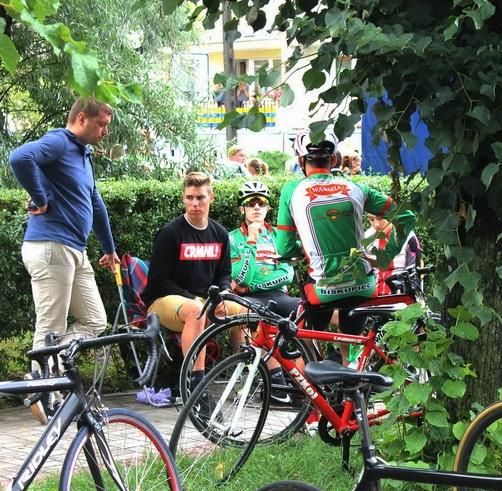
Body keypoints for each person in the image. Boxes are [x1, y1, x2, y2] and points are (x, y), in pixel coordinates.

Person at [9, 97, 120, 425]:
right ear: (82, 118)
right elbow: (20, 158)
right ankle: (43, 389)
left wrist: (109, 248)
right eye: (101, 125)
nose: (105, 132)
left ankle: (47, 370)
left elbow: (95, 203)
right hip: (50, 246)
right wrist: (40, 197)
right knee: (51, 325)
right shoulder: (60, 141)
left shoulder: (83, 155)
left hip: (75, 250)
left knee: (95, 321)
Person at [275, 130, 416, 337]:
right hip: (363, 285)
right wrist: (386, 256)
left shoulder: (291, 191)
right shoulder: (355, 187)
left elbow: (284, 248)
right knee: (352, 339)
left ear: (301, 160)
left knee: (306, 337)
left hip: (322, 289)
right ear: (333, 160)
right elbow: (406, 216)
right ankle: (352, 354)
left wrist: (304, 247)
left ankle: (312, 353)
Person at [141, 172, 243, 412]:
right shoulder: (170, 233)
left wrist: (224, 293)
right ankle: (196, 387)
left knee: (245, 311)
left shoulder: (219, 233)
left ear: (211, 198)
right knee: (197, 311)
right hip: (164, 302)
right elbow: (158, 280)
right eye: (189, 198)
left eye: (200, 197)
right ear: (183, 199)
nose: (195, 203)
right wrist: (192, 298)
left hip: (205, 300)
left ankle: (250, 377)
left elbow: (224, 273)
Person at [229, 180, 299, 402]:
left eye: (262, 203)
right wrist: (251, 240)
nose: (257, 207)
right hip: (248, 299)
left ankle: (305, 382)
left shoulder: (279, 236)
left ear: (268, 208)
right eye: (251, 203)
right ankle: (273, 382)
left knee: (308, 314)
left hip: (276, 294)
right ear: (242, 209)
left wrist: (254, 284)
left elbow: (287, 274)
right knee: (258, 318)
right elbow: (241, 277)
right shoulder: (233, 238)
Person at [365, 213, 421, 295]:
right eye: (371, 219)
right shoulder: (366, 238)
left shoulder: (407, 236)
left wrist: (404, 290)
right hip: (374, 296)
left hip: (401, 294)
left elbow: (414, 275)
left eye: (380, 218)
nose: (377, 224)